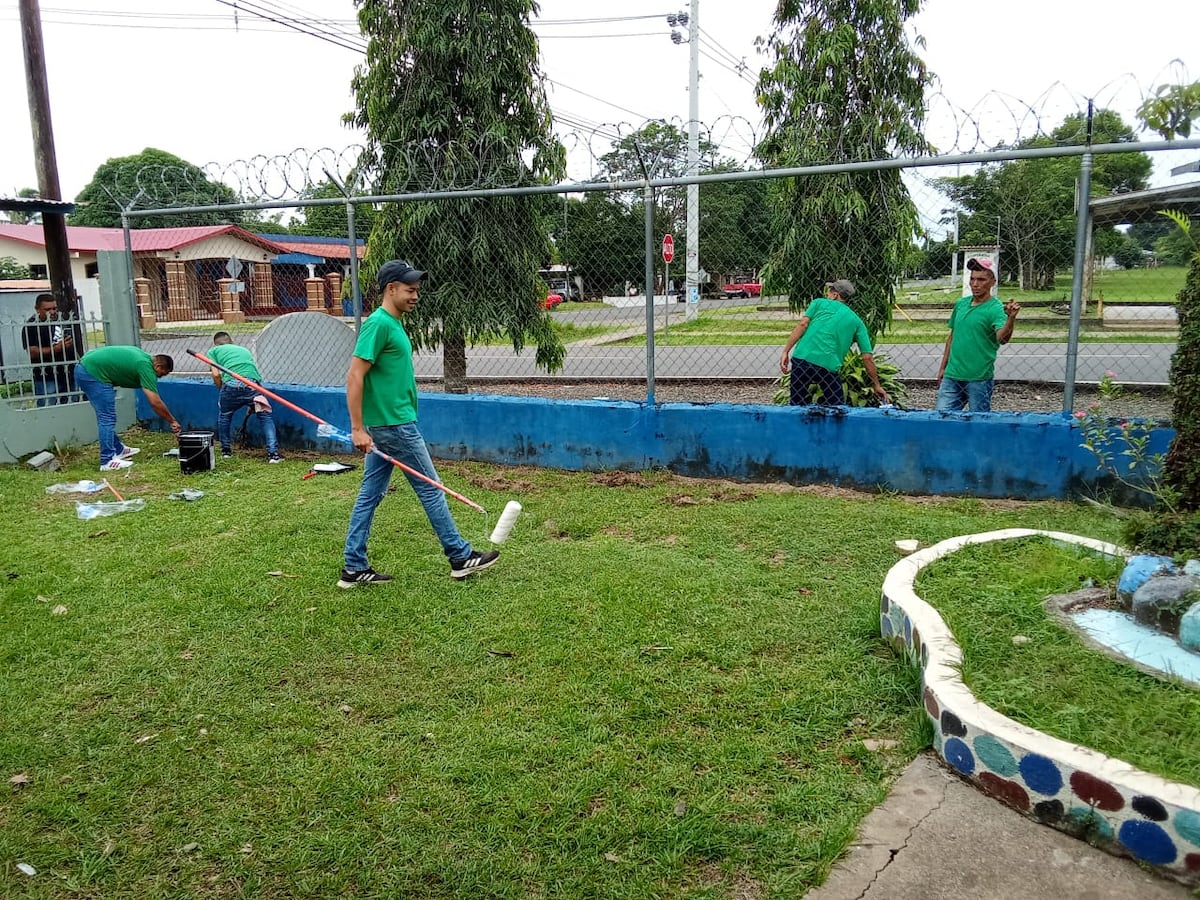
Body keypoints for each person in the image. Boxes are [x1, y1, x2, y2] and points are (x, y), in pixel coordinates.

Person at [339, 259, 500, 588]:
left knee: (370, 494)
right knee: (431, 490)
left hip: (392, 424)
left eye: (417, 290)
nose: (416, 296)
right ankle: (460, 556)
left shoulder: (394, 323)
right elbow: (355, 375)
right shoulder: (379, 324)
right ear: (391, 289)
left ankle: (353, 566)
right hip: (395, 426)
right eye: (410, 290)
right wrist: (357, 428)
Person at [779, 279, 889, 406]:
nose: (827, 294)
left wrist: (786, 351)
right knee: (836, 405)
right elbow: (867, 357)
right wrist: (876, 385)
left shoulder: (818, 303)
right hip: (828, 366)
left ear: (835, 295)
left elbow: (803, 324)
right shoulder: (857, 321)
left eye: (829, 292)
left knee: (797, 403)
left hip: (803, 359)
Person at [74, 346, 182, 471]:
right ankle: (107, 460)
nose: (159, 378)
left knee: (106, 416)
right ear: (158, 366)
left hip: (87, 368)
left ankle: (119, 450)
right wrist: (172, 421)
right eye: (161, 374)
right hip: (92, 373)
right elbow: (155, 402)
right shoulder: (146, 367)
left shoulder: (144, 359)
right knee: (107, 417)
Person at [936, 257, 1020, 412]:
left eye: (981, 279)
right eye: (972, 279)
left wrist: (1011, 318)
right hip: (952, 376)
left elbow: (1002, 338)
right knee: (943, 418)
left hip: (978, 379)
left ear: (993, 282)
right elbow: (952, 337)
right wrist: (943, 368)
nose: (975, 284)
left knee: (978, 422)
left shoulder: (995, 309)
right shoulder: (961, 304)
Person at [207, 332, 281, 462]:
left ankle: (226, 451)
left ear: (215, 344)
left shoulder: (213, 351)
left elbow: (216, 375)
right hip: (252, 386)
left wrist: (223, 391)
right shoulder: (244, 350)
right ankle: (273, 455)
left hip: (231, 385)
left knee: (225, 416)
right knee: (265, 417)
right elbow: (252, 371)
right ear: (232, 341)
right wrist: (254, 399)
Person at [21, 293, 82, 406]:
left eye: (54, 308)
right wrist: (56, 349)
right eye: (47, 309)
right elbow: (32, 352)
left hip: (68, 373)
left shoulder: (62, 320)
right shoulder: (31, 326)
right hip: (46, 376)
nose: (52, 312)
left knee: (72, 407)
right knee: (48, 408)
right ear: (37, 309)